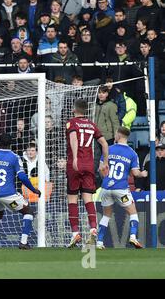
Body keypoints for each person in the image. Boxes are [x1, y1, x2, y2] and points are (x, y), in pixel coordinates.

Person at [0, 133, 41, 250]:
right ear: (11, 143)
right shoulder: (14, 157)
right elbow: (22, 177)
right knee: (28, 212)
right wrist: (33, 189)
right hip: (9, 196)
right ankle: (23, 242)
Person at [66, 99, 109, 248]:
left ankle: (75, 233)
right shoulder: (91, 125)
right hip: (89, 165)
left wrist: (76, 157)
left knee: (72, 199)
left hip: (75, 165)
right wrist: (105, 162)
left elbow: (73, 139)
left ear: (74, 109)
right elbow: (104, 143)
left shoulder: (71, 123)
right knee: (88, 199)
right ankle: (93, 229)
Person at [96, 127, 148, 249]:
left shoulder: (108, 149)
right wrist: (143, 174)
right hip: (121, 191)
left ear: (118, 135)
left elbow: (101, 169)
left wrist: (106, 176)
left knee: (106, 215)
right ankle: (133, 237)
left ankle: (99, 242)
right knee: (133, 212)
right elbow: (135, 173)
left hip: (106, 189)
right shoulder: (132, 153)